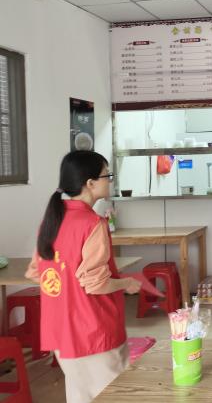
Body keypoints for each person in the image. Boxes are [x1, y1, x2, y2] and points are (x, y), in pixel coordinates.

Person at [25, 151, 142, 403]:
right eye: (107, 175)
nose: (110, 181)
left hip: (60, 330)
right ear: (90, 183)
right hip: (93, 329)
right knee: (114, 396)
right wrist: (127, 283)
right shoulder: (92, 224)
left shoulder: (51, 221)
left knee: (80, 395)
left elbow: (37, 273)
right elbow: (96, 284)